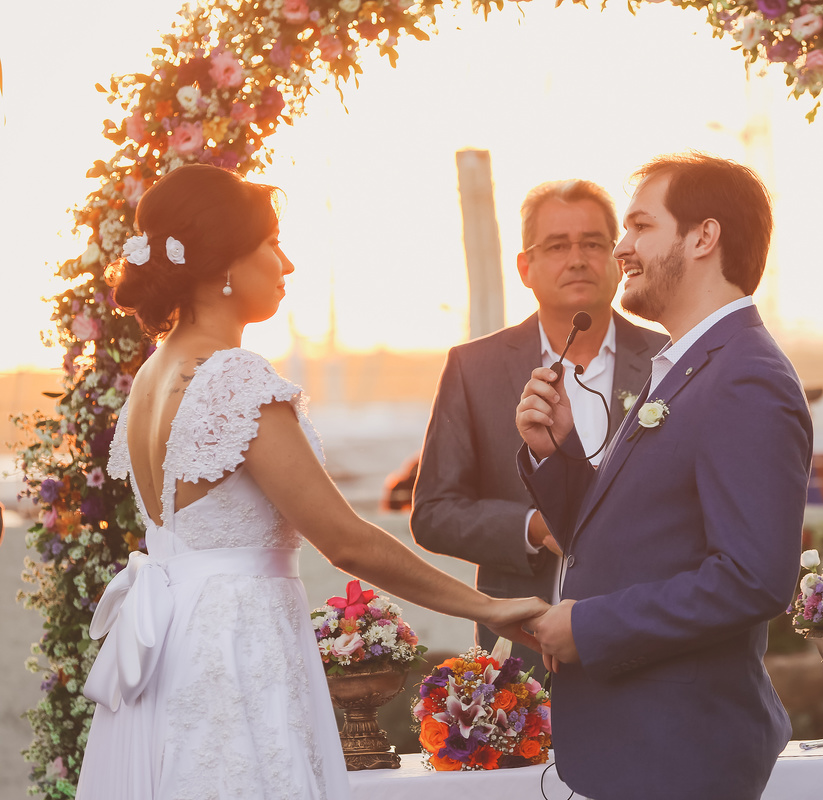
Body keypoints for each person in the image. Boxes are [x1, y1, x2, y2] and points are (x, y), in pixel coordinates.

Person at [76, 164, 546, 800]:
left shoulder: (150, 378)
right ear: (222, 265)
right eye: (271, 243)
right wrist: (486, 607)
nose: (287, 263)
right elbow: (345, 540)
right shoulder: (234, 378)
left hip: (169, 649)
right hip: (236, 652)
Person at [516, 153, 813, 800]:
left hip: (680, 753)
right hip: (639, 748)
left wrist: (586, 627)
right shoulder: (685, 367)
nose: (620, 248)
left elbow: (753, 579)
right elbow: (627, 540)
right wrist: (558, 454)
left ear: (703, 237)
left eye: (640, 227)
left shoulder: (744, 377)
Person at [409, 179, 667, 668]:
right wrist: (533, 526)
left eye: (593, 243)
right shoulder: (474, 367)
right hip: (522, 650)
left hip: (644, 640)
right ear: (525, 267)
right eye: (557, 246)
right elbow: (434, 513)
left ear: (618, 258)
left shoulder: (669, 361)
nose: (577, 259)